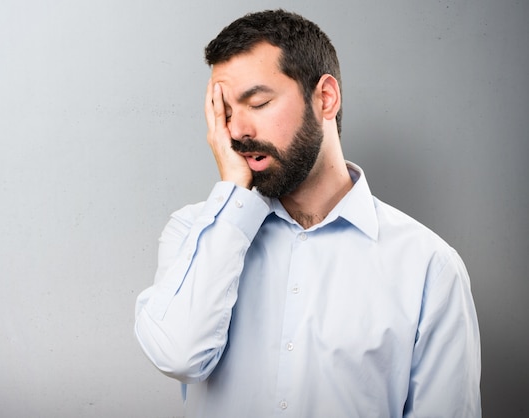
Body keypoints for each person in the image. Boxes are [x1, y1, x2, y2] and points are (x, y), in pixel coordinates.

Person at [134, 9, 481, 417]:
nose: (236, 131)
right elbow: (179, 356)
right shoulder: (195, 232)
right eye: (224, 113)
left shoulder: (428, 267)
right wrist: (232, 193)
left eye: (258, 102)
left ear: (325, 98)